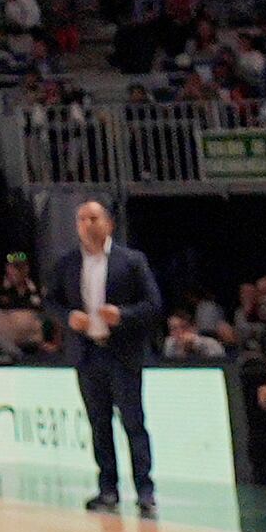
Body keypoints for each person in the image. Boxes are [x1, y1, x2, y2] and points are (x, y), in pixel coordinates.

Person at [61, 197, 164, 515]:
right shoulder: (67, 263)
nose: (87, 225)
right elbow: (50, 302)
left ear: (109, 224)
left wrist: (123, 314)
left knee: (133, 422)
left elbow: (153, 304)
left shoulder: (131, 261)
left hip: (121, 353)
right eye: (81, 219)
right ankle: (108, 490)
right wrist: (67, 317)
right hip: (88, 354)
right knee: (99, 424)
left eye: (93, 218)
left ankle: (145, 490)